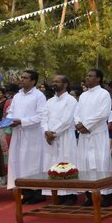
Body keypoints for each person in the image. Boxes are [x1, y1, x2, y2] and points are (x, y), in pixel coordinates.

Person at [74, 69, 112, 207]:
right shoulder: (83, 95)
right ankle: (89, 196)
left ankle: (106, 196)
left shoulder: (104, 94)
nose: (87, 78)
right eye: (87, 76)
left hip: (97, 134)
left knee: (100, 163)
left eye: (90, 76)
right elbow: (77, 113)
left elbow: (103, 114)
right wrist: (79, 124)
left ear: (98, 79)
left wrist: (86, 125)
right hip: (84, 135)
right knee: (84, 163)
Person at [6, 70, 46, 204]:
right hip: (18, 133)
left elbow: (41, 116)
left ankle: (36, 193)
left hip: (32, 134)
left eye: (25, 78)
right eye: (21, 77)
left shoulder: (39, 96)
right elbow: (10, 111)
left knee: (32, 163)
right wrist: (10, 119)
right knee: (18, 161)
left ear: (33, 81)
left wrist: (22, 121)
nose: (22, 80)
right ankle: (24, 192)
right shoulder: (17, 96)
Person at [41, 75, 78, 205]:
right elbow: (43, 118)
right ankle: (56, 195)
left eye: (57, 81)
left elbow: (67, 121)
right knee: (52, 164)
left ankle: (69, 195)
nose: (54, 83)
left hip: (65, 137)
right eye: (53, 81)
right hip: (50, 138)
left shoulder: (71, 100)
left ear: (65, 84)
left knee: (66, 164)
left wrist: (53, 133)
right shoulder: (49, 101)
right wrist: (46, 131)